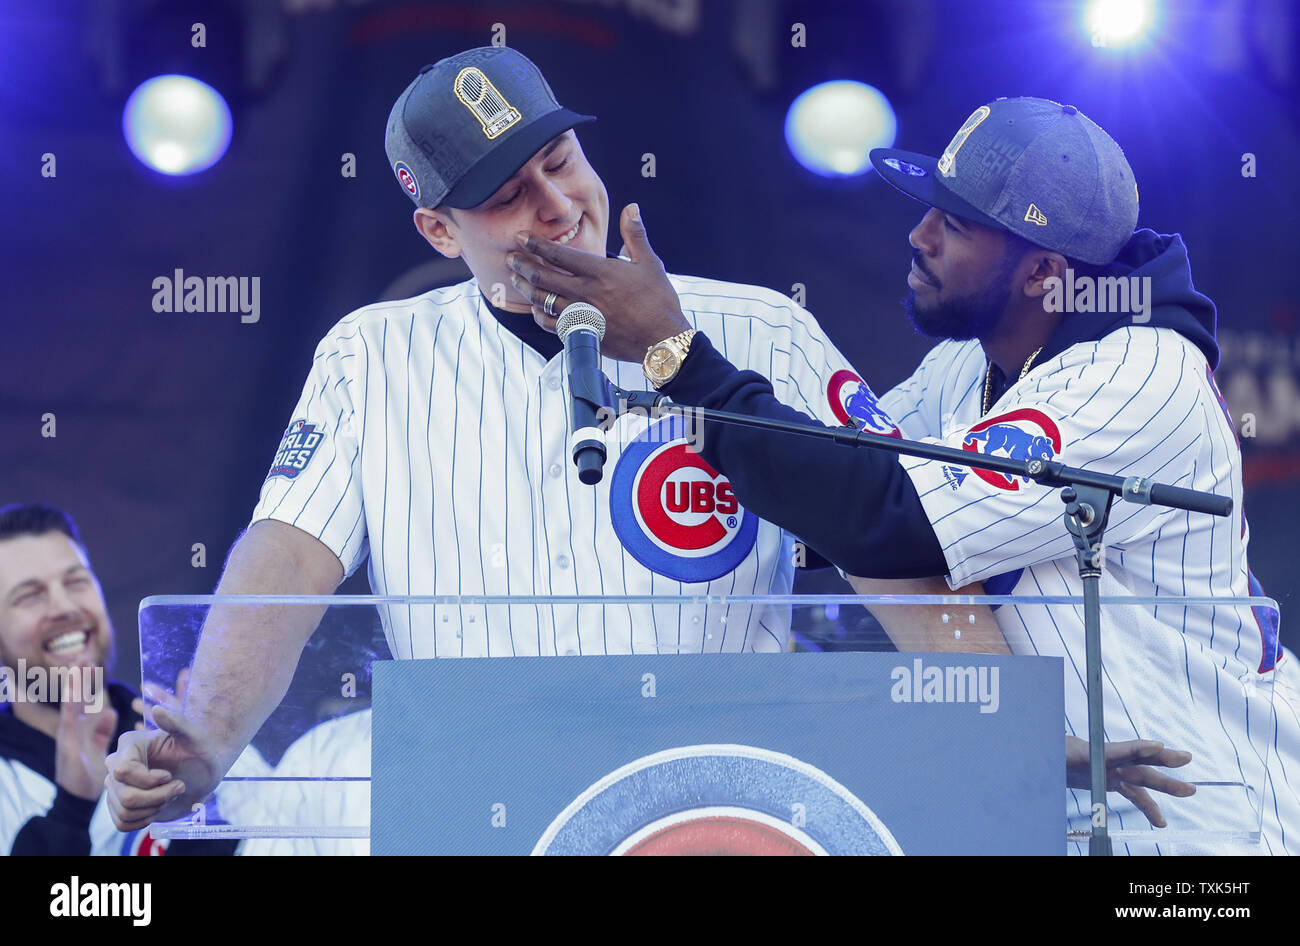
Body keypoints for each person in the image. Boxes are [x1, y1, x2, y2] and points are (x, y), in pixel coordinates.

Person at [103, 45, 901, 833]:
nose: (557, 204)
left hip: (710, 816)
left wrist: (1002, 746)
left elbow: (897, 541)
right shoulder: (372, 356)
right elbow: (284, 559)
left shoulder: (765, 328)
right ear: (440, 232)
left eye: (561, 159)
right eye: (508, 194)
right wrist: (209, 730)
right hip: (479, 813)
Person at [506, 96, 1298, 854]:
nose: (918, 234)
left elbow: (878, 518)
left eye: (953, 225)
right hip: (1079, 808)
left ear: (1042, 273)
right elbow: (825, 496)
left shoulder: (1138, 379)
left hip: (1209, 821)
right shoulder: (967, 364)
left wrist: (675, 352)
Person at [0, 503, 238, 854]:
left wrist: (191, 808)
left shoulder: (204, 745)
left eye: (76, 582)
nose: (65, 607)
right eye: (30, 595)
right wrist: (72, 809)